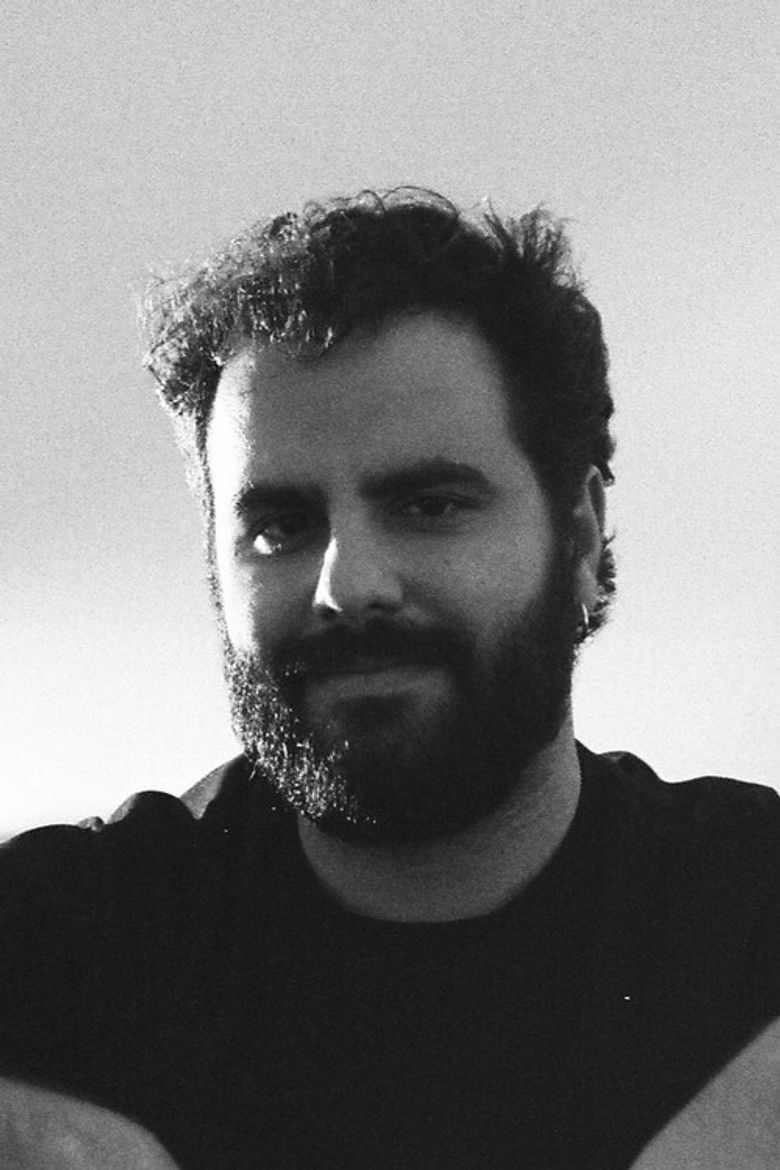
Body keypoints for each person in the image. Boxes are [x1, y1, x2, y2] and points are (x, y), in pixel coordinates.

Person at [1, 188, 777, 1169]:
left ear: (578, 538)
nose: (347, 585)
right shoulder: (60, 956)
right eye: (280, 526)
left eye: (430, 505)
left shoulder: (752, 929)